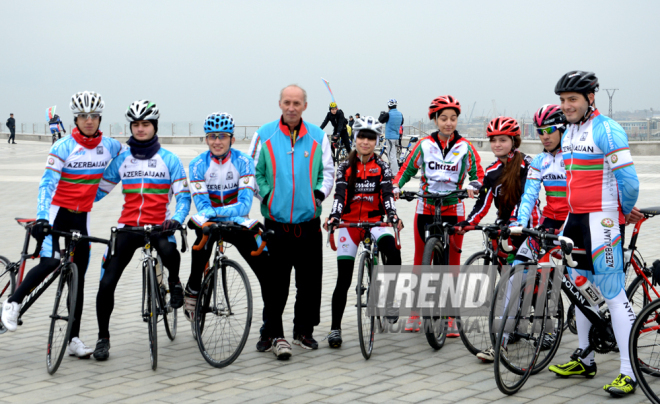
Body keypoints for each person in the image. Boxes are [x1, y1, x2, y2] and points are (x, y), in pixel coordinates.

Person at [1, 91, 122, 358]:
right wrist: (43, 217)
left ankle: (73, 339)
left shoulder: (111, 146)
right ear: (75, 118)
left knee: (76, 280)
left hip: (83, 216)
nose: (88, 120)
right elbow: (47, 184)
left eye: (93, 116)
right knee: (51, 262)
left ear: (100, 118)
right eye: (82, 116)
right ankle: (12, 303)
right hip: (56, 213)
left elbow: (130, 156)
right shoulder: (62, 146)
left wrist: (98, 191)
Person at [547, 71, 640, 397]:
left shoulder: (607, 129)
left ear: (590, 98)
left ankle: (629, 373)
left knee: (614, 297)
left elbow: (629, 184)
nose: (566, 105)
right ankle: (586, 358)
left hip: (602, 223)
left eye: (572, 99)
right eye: (562, 100)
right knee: (581, 289)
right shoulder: (570, 130)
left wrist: (622, 212)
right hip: (574, 222)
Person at [93, 100, 191, 360]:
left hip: (160, 226)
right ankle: (103, 338)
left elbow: (183, 197)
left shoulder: (169, 159)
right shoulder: (122, 159)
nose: (140, 129)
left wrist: (177, 219)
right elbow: (99, 191)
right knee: (106, 283)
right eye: (135, 124)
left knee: (169, 250)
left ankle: (174, 281)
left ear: (154, 126)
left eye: (145, 124)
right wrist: (68, 204)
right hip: (128, 228)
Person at [249, 84, 334, 359]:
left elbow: (328, 172)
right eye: (287, 102)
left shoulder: (319, 136)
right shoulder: (264, 134)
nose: (291, 107)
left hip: (309, 224)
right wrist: (268, 196)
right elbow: (253, 173)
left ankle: (303, 332)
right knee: (276, 285)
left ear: (305, 106)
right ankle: (272, 333)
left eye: (297, 103)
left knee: (309, 283)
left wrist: (317, 196)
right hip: (275, 223)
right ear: (280, 104)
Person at [395, 95, 484, 333]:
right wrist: (396, 187)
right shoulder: (423, 145)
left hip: (454, 208)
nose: (448, 123)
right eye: (443, 118)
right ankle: (415, 313)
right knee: (420, 262)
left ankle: (451, 317)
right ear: (434, 120)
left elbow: (478, 175)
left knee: (451, 264)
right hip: (425, 207)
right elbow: (406, 170)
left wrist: (474, 186)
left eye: (453, 119)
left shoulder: (465, 147)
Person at [186, 112, 272, 351]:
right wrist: (225, 212)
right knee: (203, 239)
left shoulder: (243, 161)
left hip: (238, 223)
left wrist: (221, 212)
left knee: (267, 271)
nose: (217, 141)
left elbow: (245, 206)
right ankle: (193, 289)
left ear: (232, 139)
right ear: (206, 139)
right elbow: (202, 207)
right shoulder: (197, 165)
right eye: (212, 136)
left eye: (222, 136)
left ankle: (272, 329)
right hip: (212, 222)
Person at [456, 116, 539, 360]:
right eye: (493, 140)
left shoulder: (527, 165)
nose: (497, 145)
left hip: (529, 230)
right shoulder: (492, 171)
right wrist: (467, 224)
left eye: (502, 140)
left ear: (514, 141)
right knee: (508, 283)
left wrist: (514, 224)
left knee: (529, 282)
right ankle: (509, 330)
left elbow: (527, 199)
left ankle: (545, 327)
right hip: (505, 231)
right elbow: (482, 203)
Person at [323, 116, 403, 348]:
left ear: (377, 140)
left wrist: (393, 216)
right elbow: (340, 195)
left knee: (393, 252)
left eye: (371, 138)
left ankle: (388, 299)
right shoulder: (345, 166)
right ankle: (335, 329)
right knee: (343, 279)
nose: (366, 142)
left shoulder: (383, 166)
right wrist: (334, 217)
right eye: (361, 137)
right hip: (349, 225)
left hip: (376, 222)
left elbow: (387, 194)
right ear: (355, 138)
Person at [510, 104, 569, 265]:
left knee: (573, 279)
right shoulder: (539, 161)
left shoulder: (575, 158)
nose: (545, 136)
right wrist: (520, 222)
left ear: (562, 129)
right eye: (540, 131)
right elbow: (529, 195)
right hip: (548, 220)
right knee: (518, 265)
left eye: (549, 130)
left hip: (572, 220)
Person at [379, 99, 404, 174]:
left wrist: (382, 114)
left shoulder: (388, 114)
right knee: (394, 155)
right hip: (396, 137)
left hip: (390, 137)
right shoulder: (400, 114)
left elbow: (380, 120)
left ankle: (394, 173)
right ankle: (394, 172)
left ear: (388, 106)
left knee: (391, 156)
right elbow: (402, 122)